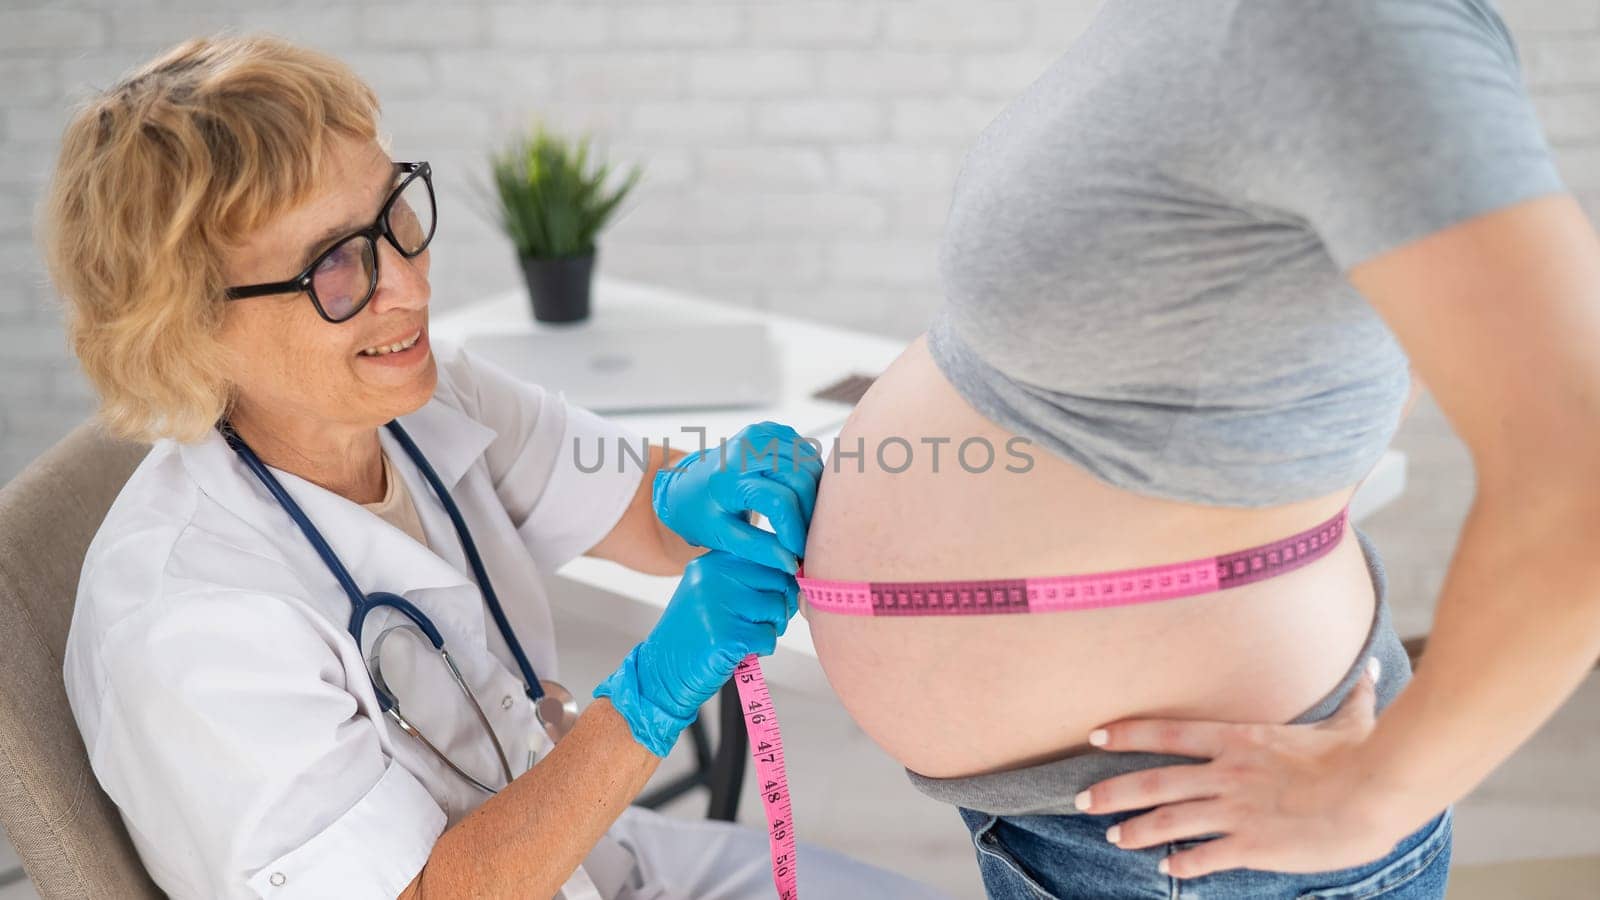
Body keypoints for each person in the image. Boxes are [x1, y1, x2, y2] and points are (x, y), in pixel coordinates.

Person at [44, 35, 947, 900]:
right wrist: (646, 698)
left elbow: (639, 505)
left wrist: (701, 491)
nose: (410, 282)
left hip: (591, 858)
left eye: (393, 213)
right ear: (189, 324)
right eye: (335, 266)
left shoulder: (425, 401)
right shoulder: (192, 627)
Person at [798, 1, 1600, 898]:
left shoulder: (1364, 27)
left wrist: (1374, 797)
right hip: (1070, 826)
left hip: (1202, 847)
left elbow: (1581, 467)